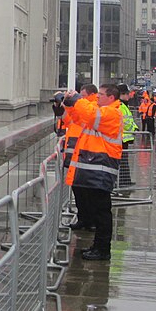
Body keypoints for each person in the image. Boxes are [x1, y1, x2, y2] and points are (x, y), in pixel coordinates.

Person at [62, 83, 123, 260]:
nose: (98, 97)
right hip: (95, 168)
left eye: (101, 95)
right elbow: (78, 118)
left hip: (101, 168)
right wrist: (67, 103)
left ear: (111, 98)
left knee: (102, 212)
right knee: (98, 210)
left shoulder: (112, 113)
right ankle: (98, 247)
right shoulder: (101, 112)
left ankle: (103, 249)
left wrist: (77, 99)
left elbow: (89, 114)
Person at [61, 84, 97, 230]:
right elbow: (71, 119)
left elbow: (87, 114)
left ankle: (91, 221)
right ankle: (83, 218)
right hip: (76, 153)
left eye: (82, 95)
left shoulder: (93, 107)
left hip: (88, 156)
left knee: (89, 193)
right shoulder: (83, 107)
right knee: (79, 191)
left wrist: (75, 99)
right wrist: (63, 104)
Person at [116, 84, 138, 187]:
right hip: (122, 138)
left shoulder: (124, 105)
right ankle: (123, 182)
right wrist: (133, 128)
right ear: (122, 94)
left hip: (125, 138)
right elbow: (125, 122)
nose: (129, 96)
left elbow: (129, 119)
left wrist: (135, 127)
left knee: (124, 161)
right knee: (122, 161)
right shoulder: (120, 105)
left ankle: (126, 180)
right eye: (127, 94)